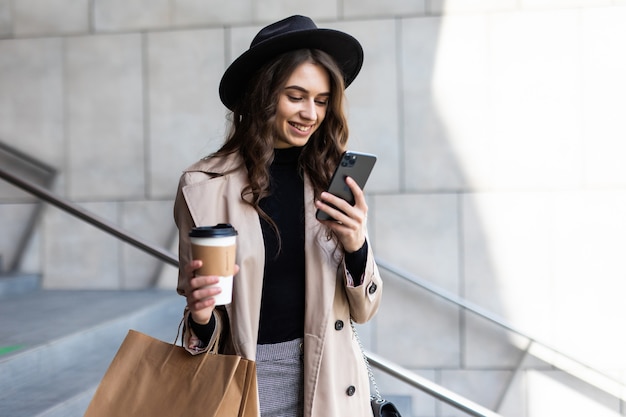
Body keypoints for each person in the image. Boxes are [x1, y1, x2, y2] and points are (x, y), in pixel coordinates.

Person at [173, 15, 383, 417]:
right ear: (263, 95)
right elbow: (206, 315)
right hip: (245, 384)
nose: (311, 113)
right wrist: (200, 317)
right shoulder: (204, 187)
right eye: (296, 96)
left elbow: (365, 309)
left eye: (321, 100)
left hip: (330, 384)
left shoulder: (330, 177)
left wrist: (357, 245)